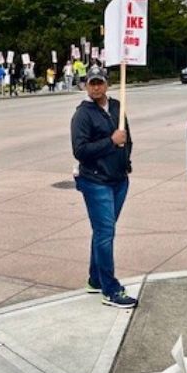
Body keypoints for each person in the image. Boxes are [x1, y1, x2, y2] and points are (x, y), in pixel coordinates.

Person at [70, 67, 138, 309]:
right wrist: (111, 142)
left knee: (103, 232)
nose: (96, 87)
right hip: (96, 181)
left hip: (119, 179)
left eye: (99, 82)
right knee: (105, 233)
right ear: (86, 86)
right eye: (91, 83)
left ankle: (96, 278)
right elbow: (80, 151)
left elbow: (127, 138)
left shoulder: (118, 107)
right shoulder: (82, 115)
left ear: (107, 84)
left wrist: (126, 160)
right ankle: (110, 289)